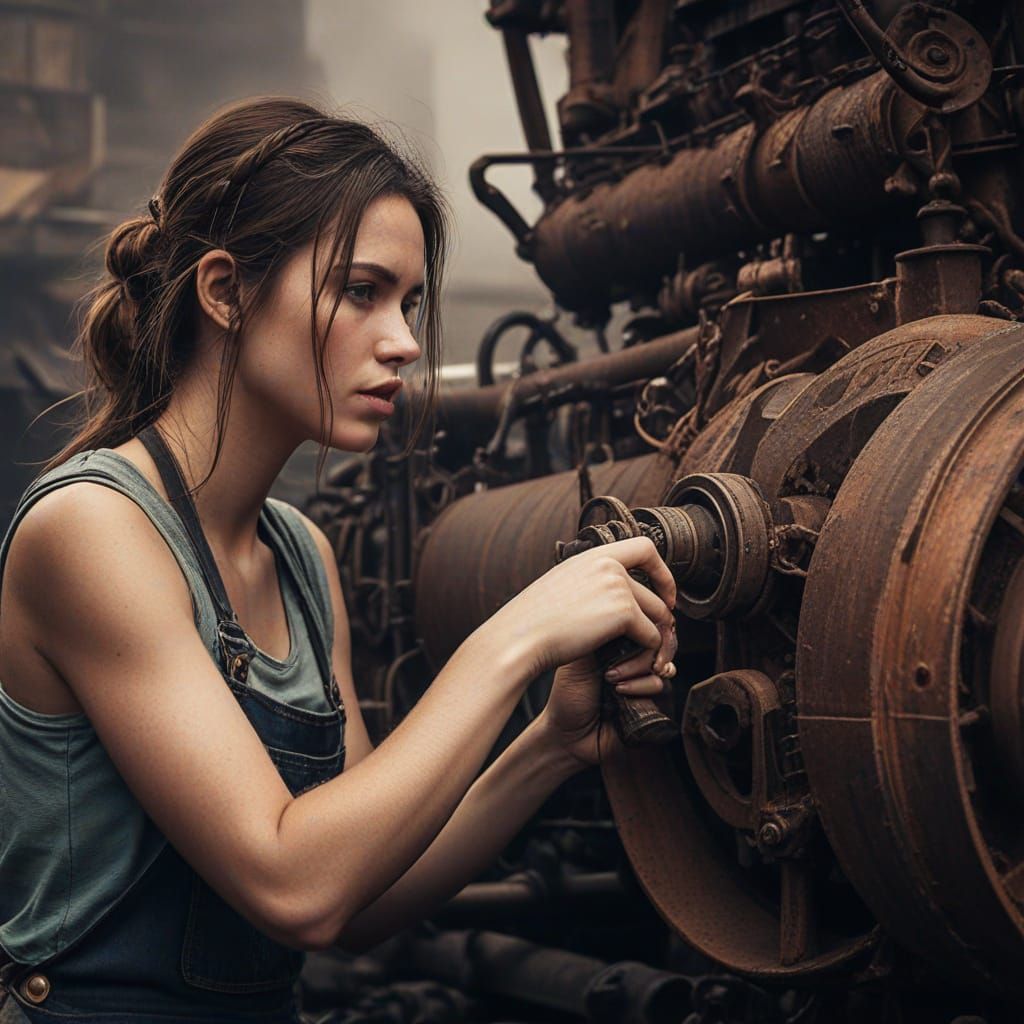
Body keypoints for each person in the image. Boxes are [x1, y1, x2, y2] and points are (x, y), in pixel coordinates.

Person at [0, 97, 677, 1023]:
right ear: (226, 290)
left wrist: (552, 745)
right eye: (361, 292)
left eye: (409, 303)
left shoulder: (303, 556)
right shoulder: (94, 531)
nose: (401, 341)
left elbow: (356, 898)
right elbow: (294, 886)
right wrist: (515, 635)